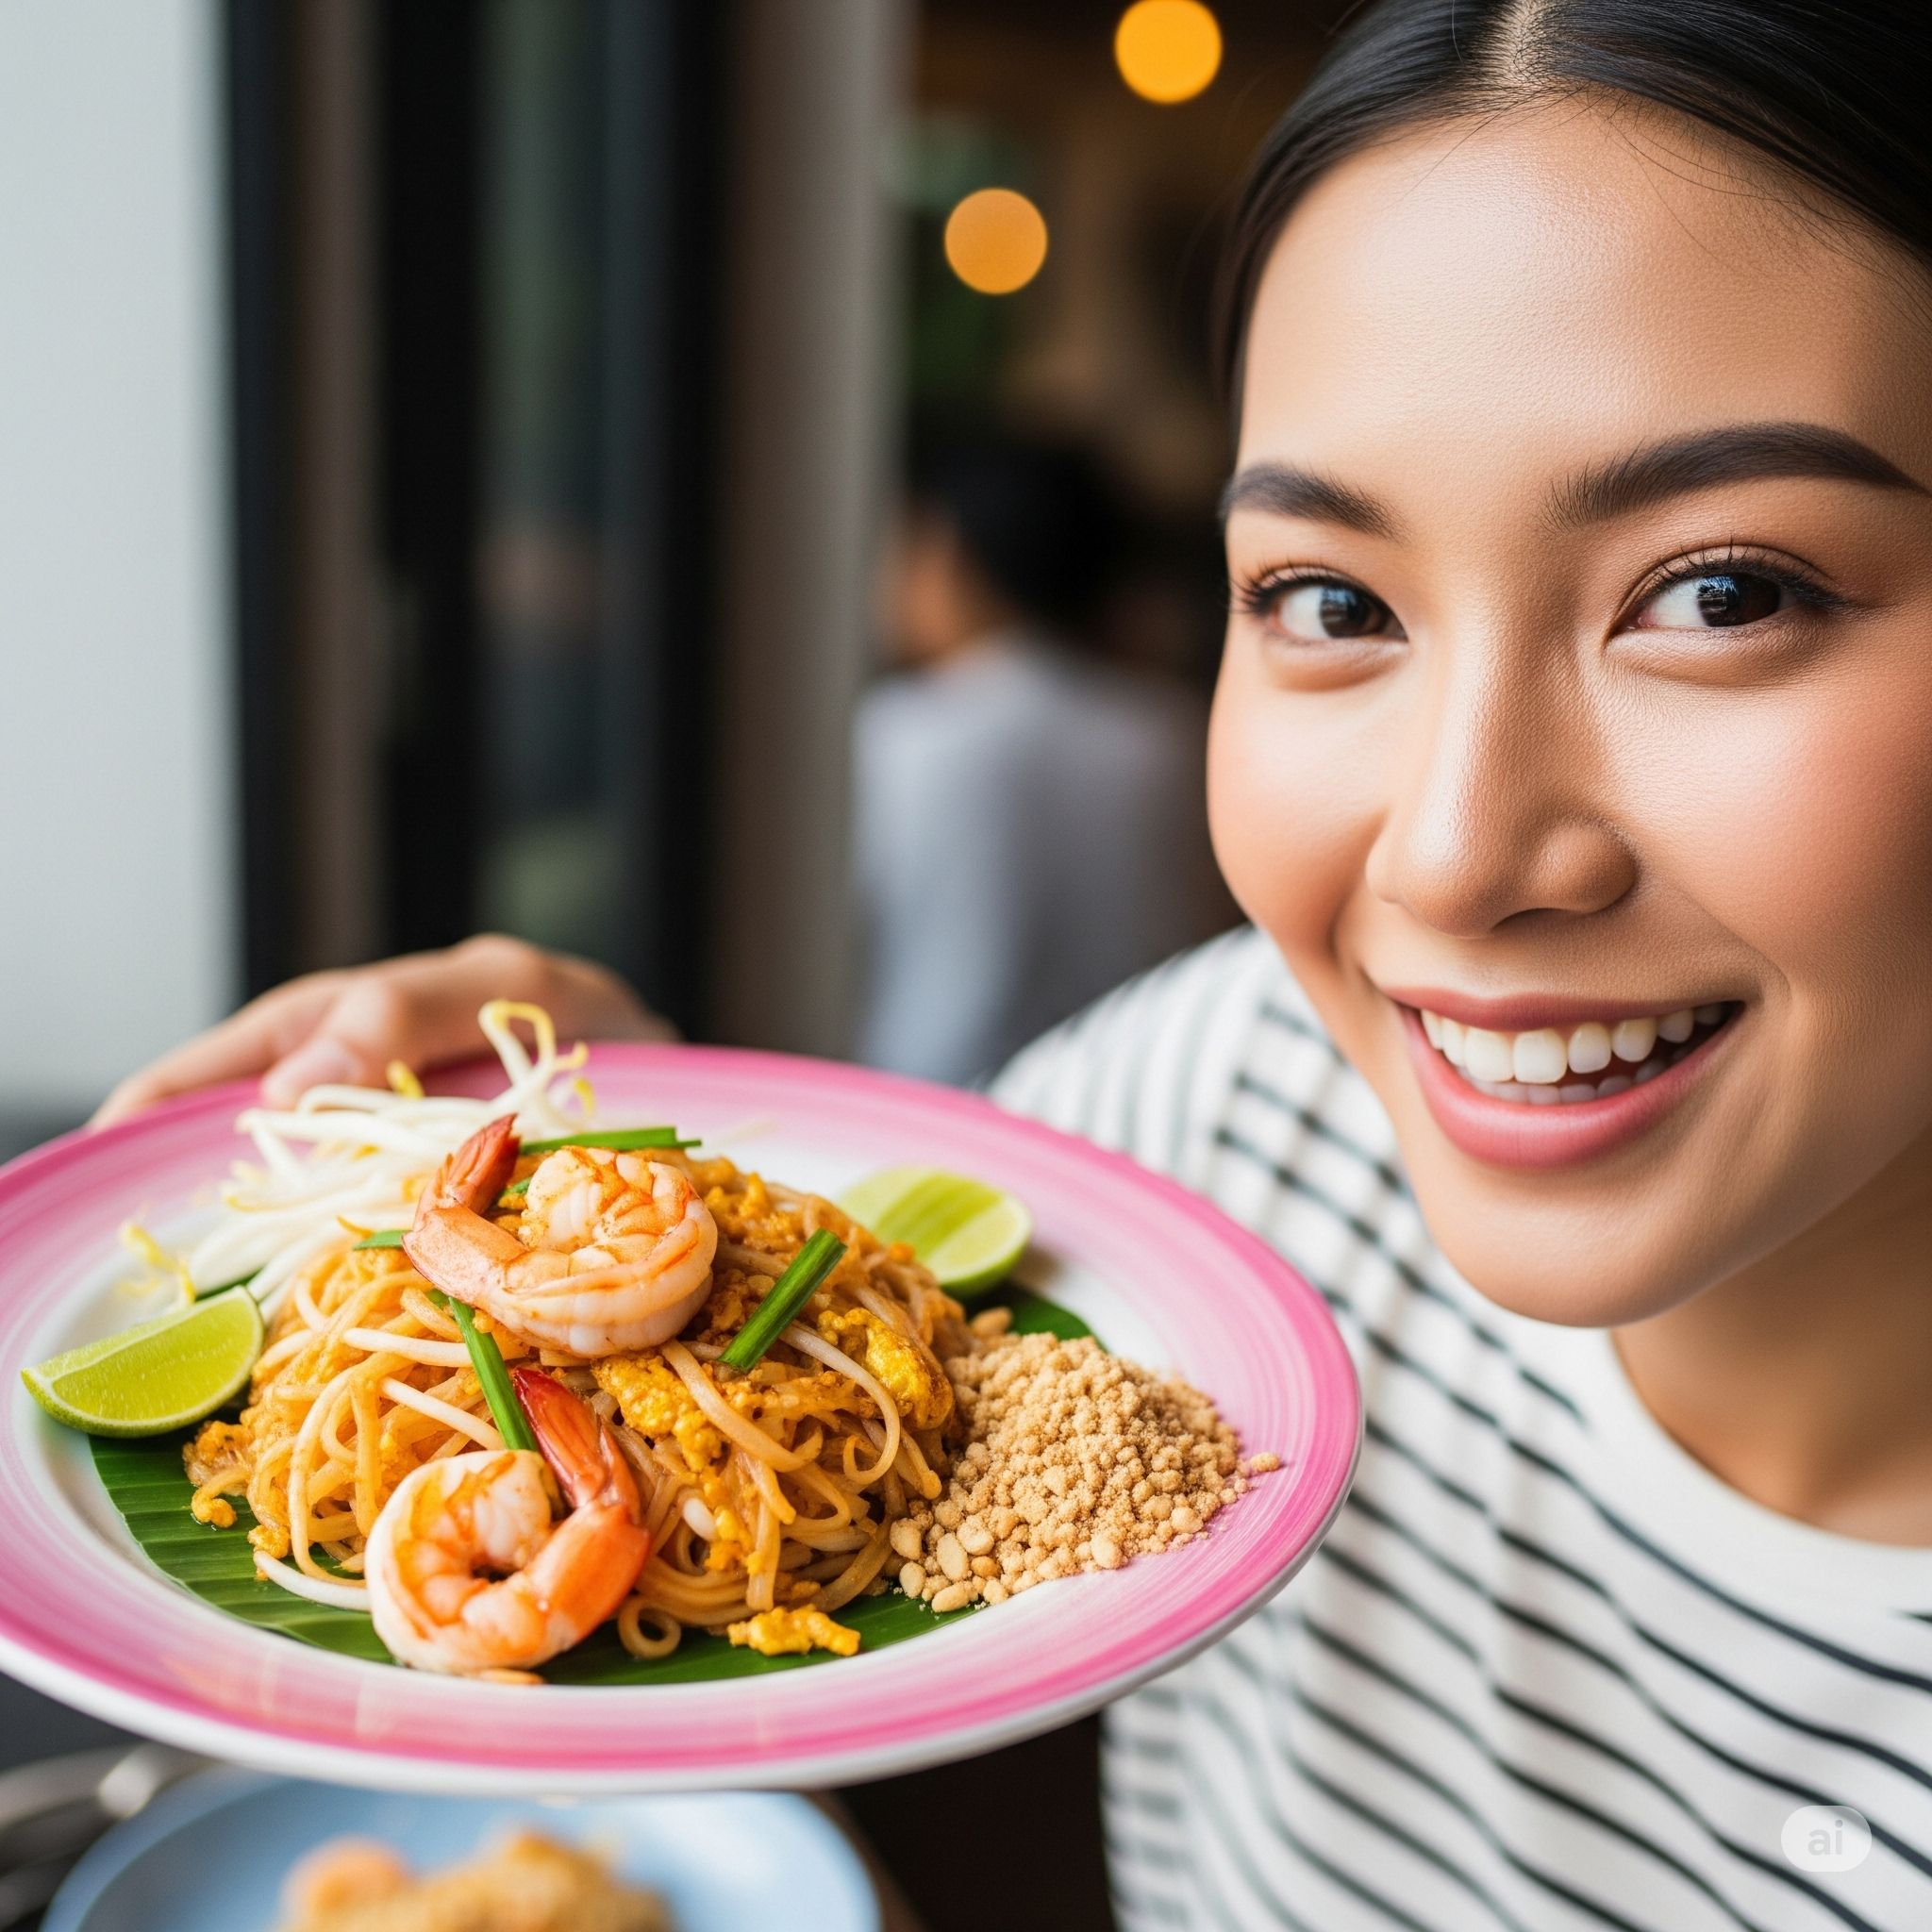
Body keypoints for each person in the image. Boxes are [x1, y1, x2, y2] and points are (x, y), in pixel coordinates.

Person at [96, 1, 1932, 1925]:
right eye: (1330, 601)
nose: (1458, 854)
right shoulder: (1235, 1112)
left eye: (1725, 593)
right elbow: (897, 1309)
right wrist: (625, 1151)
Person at [857, 435, 1221, 1082]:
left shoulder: (905, 733)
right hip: (1129, 1098)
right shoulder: (1168, 734)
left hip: (930, 1103)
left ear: (947, 552)